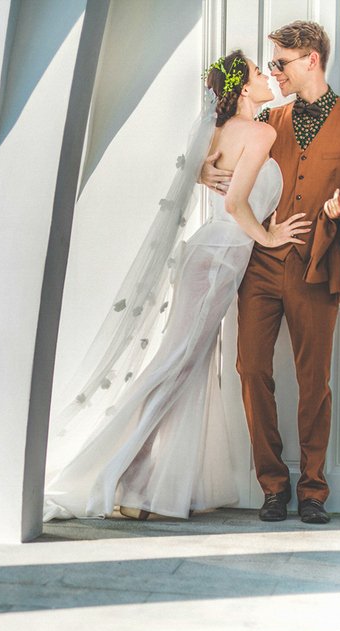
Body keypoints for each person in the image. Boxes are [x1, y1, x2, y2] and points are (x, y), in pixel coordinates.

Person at [43, 51, 310, 522]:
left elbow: (209, 177)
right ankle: (116, 477)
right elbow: (235, 206)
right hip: (220, 260)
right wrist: (269, 234)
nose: (268, 76)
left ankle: (140, 487)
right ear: (244, 89)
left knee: (181, 370)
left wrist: (207, 172)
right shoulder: (261, 132)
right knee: (176, 367)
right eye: (257, 73)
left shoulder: (218, 132)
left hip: (208, 258)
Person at [201, 21, 340, 524]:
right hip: (260, 265)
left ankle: (313, 489)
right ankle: (273, 485)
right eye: (269, 65)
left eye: (281, 63)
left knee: (314, 381)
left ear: (311, 59)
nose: (274, 72)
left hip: (317, 268)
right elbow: (224, 162)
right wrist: (204, 170)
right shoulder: (269, 119)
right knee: (250, 369)